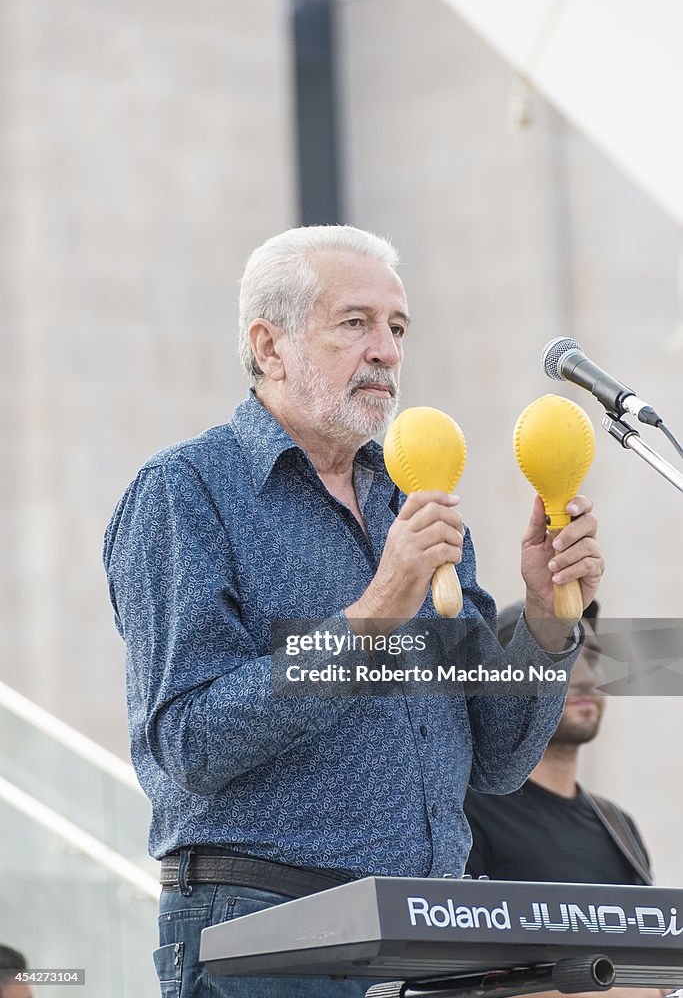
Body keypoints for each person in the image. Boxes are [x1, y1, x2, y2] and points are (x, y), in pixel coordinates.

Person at [103, 225, 605, 998]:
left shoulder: (416, 498)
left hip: (427, 935)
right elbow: (188, 742)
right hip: (266, 933)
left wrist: (542, 619)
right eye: (354, 323)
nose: (387, 351)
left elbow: (500, 761)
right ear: (268, 347)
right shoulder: (185, 493)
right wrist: (372, 614)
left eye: (397, 328)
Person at [465, 600, 663, 998]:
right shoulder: (463, 814)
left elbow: (650, 961)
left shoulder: (617, 825)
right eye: (567, 658)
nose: (588, 678)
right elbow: (457, 983)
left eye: (593, 658)